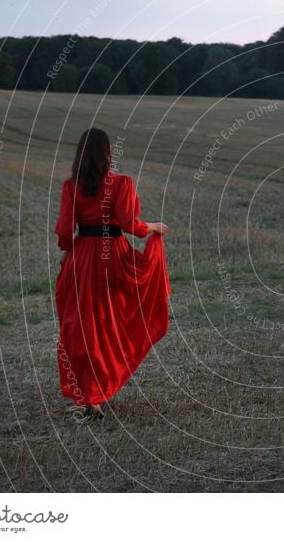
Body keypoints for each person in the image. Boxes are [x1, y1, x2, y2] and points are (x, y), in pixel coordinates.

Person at [54, 128, 170, 420]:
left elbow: (66, 233)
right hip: (112, 257)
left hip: (82, 259)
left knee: (82, 327)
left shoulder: (71, 187)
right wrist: (154, 227)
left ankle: (91, 396)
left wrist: (69, 256)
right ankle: (98, 389)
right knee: (110, 324)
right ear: (107, 153)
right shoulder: (121, 183)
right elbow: (132, 224)